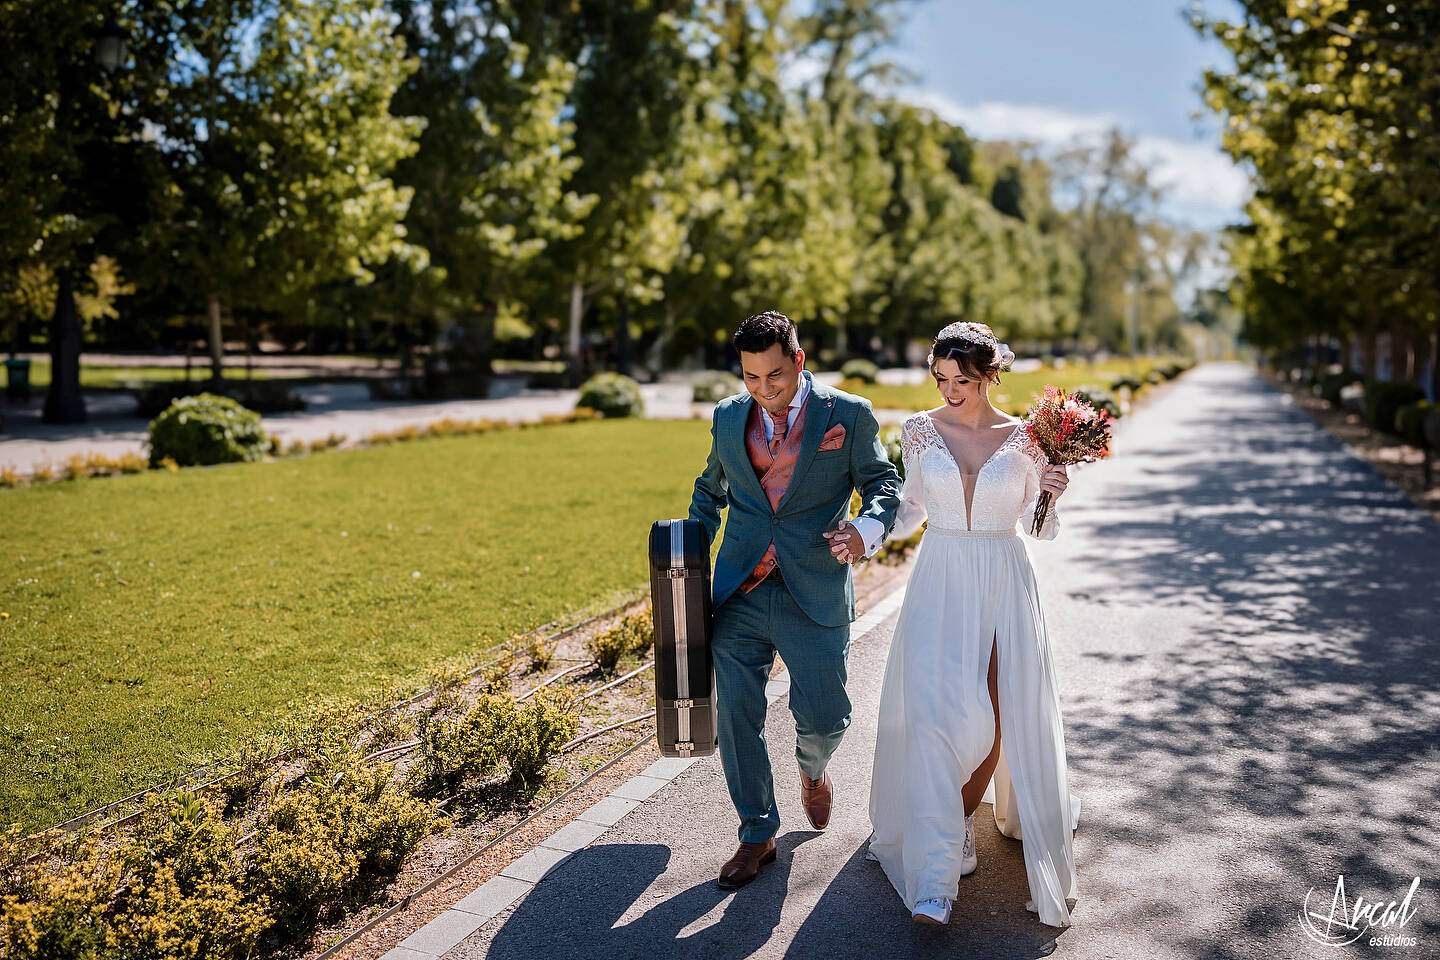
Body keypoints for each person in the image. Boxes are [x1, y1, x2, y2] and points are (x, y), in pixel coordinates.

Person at [865, 321, 1082, 928]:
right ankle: (933, 882)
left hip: (1003, 579)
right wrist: (865, 534)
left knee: (995, 711)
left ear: (991, 376)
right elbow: (909, 509)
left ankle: (961, 818)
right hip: (940, 578)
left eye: (963, 379)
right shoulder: (918, 431)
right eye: (941, 378)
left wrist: (1052, 497)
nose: (950, 389)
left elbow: (1036, 529)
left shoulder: (1028, 439)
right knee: (935, 711)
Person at [688, 310, 901, 889]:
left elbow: (883, 482)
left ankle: (814, 768)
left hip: (815, 587)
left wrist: (867, 528)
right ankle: (757, 833)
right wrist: (682, 553)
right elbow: (711, 491)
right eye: (751, 378)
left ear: (799, 361)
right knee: (736, 714)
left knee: (828, 715)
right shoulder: (730, 419)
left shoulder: (847, 415)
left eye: (774, 376)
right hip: (742, 589)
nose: (763, 390)